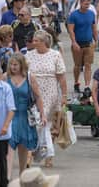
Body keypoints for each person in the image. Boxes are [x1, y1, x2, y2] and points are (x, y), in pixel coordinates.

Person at [25, 30, 67, 168]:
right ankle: (43, 153)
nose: (33, 42)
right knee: (39, 124)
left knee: (44, 124)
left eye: (36, 40)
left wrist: (64, 96)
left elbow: (61, 77)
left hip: (50, 92)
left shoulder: (55, 55)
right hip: (33, 92)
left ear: (43, 42)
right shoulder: (29, 55)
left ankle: (35, 154)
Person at [5, 53, 45, 178]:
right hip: (10, 117)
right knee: (9, 148)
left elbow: (38, 97)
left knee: (23, 150)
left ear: (22, 65)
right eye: (11, 64)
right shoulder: (5, 77)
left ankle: (22, 176)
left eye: (16, 64)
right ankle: (7, 177)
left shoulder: (29, 77)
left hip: (25, 116)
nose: (13, 67)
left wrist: (42, 115)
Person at [67, 0, 98, 94]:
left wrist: (96, 40)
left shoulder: (91, 14)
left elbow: (94, 27)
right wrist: (74, 42)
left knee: (88, 65)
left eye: (88, 4)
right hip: (78, 43)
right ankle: (76, 82)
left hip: (88, 43)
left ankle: (87, 85)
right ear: (81, 3)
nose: (87, 6)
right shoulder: (74, 15)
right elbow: (71, 30)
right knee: (78, 65)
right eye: (85, 4)